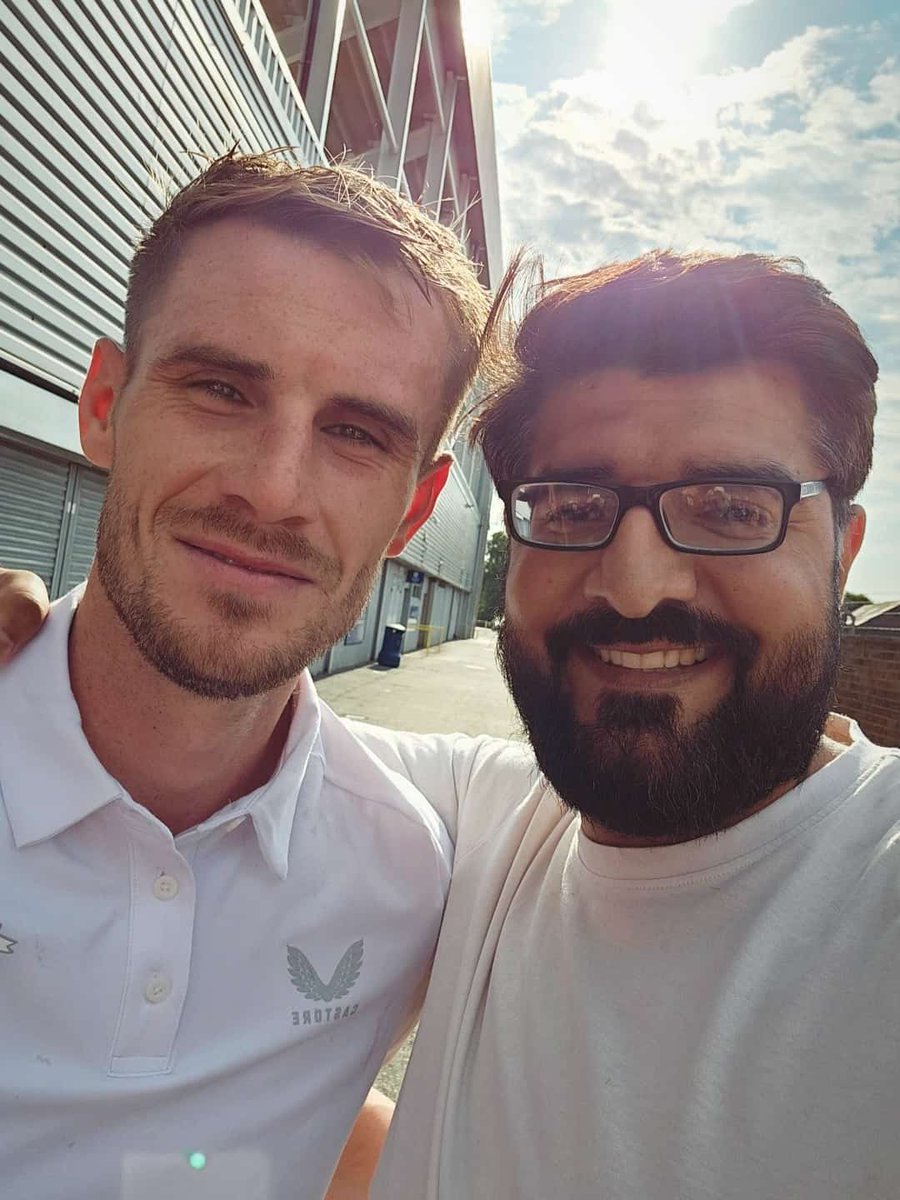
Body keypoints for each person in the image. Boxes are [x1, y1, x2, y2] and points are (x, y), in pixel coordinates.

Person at [5, 252, 899, 1198]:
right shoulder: (471, 823)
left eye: (731, 509)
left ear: (841, 551)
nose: (637, 588)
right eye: (573, 506)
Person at [0, 150, 493, 1200]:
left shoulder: (408, 871)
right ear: (102, 404)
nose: (274, 491)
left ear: (414, 509)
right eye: (221, 389)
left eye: (356, 434)